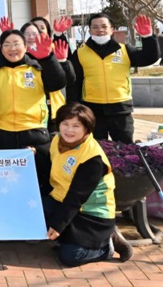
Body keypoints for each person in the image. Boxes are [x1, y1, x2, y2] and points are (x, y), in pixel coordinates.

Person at [0, 29, 68, 184]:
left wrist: (48, 58)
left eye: (17, 44)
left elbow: (58, 83)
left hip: (34, 134)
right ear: (1, 48)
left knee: (38, 182)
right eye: (7, 44)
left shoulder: (37, 68)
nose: (12, 48)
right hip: (0, 134)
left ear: (25, 47)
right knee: (1, 183)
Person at [42, 103, 132, 267]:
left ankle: (107, 247)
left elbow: (77, 197)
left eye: (76, 126)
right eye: (65, 124)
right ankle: (71, 238)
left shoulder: (92, 158)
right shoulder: (57, 140)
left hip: (91, 214)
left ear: (87, 129)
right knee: (34, 212)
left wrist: (57, 225)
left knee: (70, 256)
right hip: (61, 200)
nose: (69, 130)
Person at [67, 14, 159, 143]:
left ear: (112, 29)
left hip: (121, 109)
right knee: (96, 149)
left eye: (104, 26)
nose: (100, 30)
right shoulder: (80, 53)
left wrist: (147, 37)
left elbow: (149, 58)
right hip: (93, 110)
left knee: (125, 148)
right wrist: (73, 109)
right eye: (95, 27)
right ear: (90, 31)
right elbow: (74, 82)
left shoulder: (125, 50)